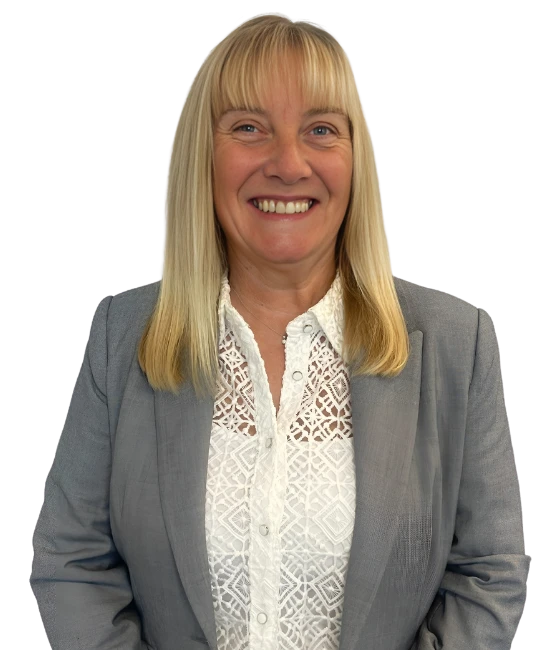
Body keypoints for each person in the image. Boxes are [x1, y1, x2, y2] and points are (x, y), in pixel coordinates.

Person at [29, 12, 529, 650]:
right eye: (249, 128)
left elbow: (489, 574)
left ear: (356, 158)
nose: (289, 165)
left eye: (321, 130)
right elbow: (73, 563)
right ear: (204, 155)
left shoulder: (456, 343)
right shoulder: (121, 337)